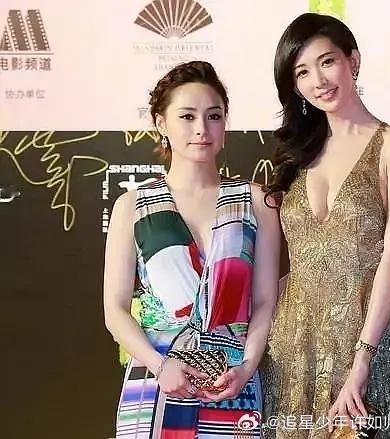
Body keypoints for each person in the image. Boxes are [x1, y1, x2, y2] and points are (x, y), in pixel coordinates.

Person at [260, 13, 390, 438]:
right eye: (302, 72)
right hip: (293, 349)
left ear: (353, 60)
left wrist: (363, 357)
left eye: (327, 62)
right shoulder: (297, 155)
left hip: (368, 342)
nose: (318, 80)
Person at [104, 61, 280, 438]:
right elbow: (114, 310)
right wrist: (159, 366)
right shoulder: (133, 206)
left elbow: (266, 300)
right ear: (161, 123)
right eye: (187, 116)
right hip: (157, 382)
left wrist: (247, 367)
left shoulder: (256, 202)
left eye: (213, 116)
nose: (202, 128)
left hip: (231, 383)